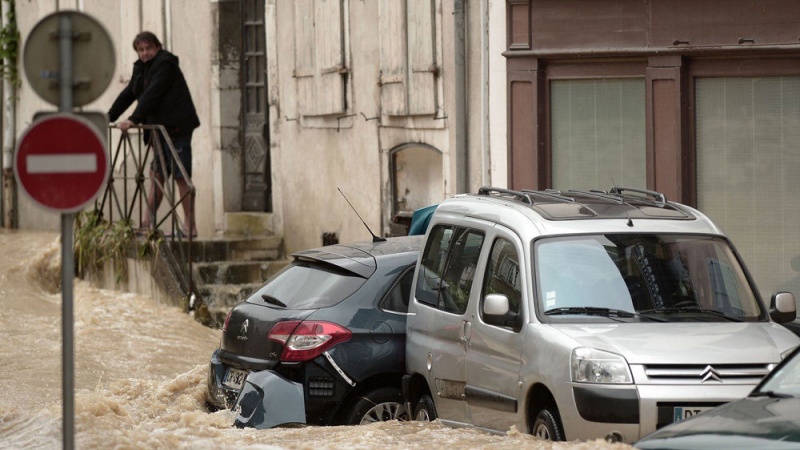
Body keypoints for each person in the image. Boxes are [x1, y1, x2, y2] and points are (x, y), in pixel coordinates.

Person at [108, 31, 200, 237]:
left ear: (157, 47)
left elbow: (153, 93)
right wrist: (108, 116)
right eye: (141, 50)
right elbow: (129, 93)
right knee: (156, 175)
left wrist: (133, 119)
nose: (145, 53)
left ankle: (190, 227)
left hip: (177, 129)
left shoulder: (165, 65)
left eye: (149, 48)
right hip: (160, 133)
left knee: (181, 177)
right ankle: (146, 224)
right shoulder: (141, 69)